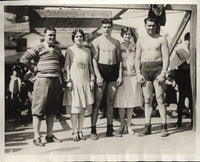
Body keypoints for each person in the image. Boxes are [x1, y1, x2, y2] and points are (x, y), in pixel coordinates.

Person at [20, 26, 64, 146]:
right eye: (49, 35)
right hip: (43, 81)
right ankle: (36, 137)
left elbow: (62, 61)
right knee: (38, 109)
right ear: (44, 36)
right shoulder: (38, 48)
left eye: (53, 35)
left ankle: (49, 136)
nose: (52, 37)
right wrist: (35, 68)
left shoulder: (58, 49)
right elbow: (23, 59)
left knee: (52, 109)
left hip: (55, 81)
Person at [135, 17, 170, 137]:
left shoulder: (161, 39)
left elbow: (166, 57)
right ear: (145, 26)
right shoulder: (140, 40)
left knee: (160, 98)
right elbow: (137, 58)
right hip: (145, 69)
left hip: (158, 69)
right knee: (148, 100)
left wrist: (163, 72)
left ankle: (164, 127)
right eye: (148, 25)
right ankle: (147, 127)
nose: (151, 28)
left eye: (153, 25)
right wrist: (138, 73)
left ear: (156, 26)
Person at [90, 18, 123, 140]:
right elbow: (94, 59)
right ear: (101, 28)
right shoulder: (96, 41)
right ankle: (93, 129)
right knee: (97, 102)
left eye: (109, 27)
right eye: (104, 27)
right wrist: (98, 75)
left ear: (112, 28)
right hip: (102, 71)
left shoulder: (116, 42)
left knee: (110, 102)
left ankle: (110, 129)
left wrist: (120, 75)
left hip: (113, 72)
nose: (106, 29)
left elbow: (119, 60)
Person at [63, 29, 95, 141]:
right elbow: (66, 67)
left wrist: (92, 80)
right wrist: (68, 80)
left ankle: (81, 131)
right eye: (76, 36)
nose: (79, 38)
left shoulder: (87, 50)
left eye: (80, 36)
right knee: (74, 109)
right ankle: (74, 131)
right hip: (74, 82)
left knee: (82, 109)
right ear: (73, 38)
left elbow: (90, 67)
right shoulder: (69, 50)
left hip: (84, 81)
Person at [114, 27, 143, 135]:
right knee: (122, 103)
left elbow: (138, 61)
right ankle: (122, 124)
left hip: (133, 76)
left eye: (129, 34)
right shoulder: (119, 46)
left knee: (130, 102)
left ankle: (129, 125)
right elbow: (118, 62)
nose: (127, 36)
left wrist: (138, 73)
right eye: (125, 34)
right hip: (122, 77)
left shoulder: (135, 47)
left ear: (131, 35)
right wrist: (119, 76)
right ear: (122, 35)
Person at [169, 32, 192, 127]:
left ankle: (192, 120)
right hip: (182, 74)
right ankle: (179, 121)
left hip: (188, 74)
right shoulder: (180, 48)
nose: (189, 44)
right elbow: (188, 60)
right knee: (182, 97)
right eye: (188, 42)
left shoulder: (188, 47)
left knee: (190, 97)